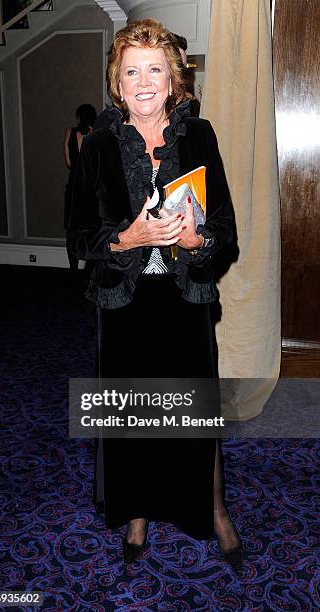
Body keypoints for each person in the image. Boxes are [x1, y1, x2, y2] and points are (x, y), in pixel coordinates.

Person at [67, 19, 242, 573]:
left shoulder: (200, 135)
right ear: (117, 83)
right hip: (124, 300)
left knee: (196, 410)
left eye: (155, 69)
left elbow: (226, 229)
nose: (143, 81)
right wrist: (128, 236)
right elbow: (75, 236)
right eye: (131, 70)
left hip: (185, 294)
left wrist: (199, 238)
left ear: (174, 80)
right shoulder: (96, 145)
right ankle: (137, 511)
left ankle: (214, 510)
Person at [63, 104, 97, 270]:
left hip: (73, 187)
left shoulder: (69, 132)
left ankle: (73, 270)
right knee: (93, 229)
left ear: (78, 117)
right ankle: (91, 271)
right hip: (91, 188)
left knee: (71, 230)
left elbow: (69, 163)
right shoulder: (95, 134)